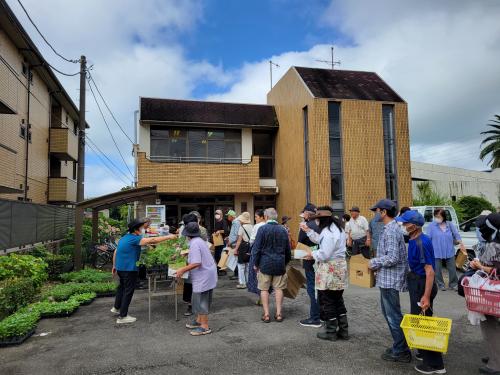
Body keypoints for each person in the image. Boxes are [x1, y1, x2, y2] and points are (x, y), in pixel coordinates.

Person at [396, 210, 445, 374]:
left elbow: (430, 271)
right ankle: (424, 352)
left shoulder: (421, 243)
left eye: (405, 223)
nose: (403, 225)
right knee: (422, 319)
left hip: (422, 284)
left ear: (414, 226)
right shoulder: (415, 238)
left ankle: (435, 364)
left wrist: (425, 296)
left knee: (424, 323)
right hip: (417, 282)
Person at [368, 199, 411, 363]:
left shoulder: (392, 230)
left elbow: (393, 257)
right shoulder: (391, 228)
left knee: (393, 315)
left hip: (390, 279)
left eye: (377, 210)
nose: (376, 214)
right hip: (387, 278)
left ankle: (401, 350)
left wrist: (373, 263)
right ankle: (399, 346)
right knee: (390, 314)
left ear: (384, 212)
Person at [111, 218, 177, 324]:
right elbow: (152, 240)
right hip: (129, 269)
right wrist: (169, 236)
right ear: (136, 229)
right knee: (128, 291)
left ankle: (116, 307)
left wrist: (114, 265)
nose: (142, 229)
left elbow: (116, 251)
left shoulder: (125, 237)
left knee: (122, 288)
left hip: (121, 267)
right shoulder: (134, 238)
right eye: (141, 227)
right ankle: (122, 317)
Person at [300, 206, 348, 341]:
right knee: (338, 299)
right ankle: (344, 330)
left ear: (321, 219)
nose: (316, 222)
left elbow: (325, 253)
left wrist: (312, 254)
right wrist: (309, 231)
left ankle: (331, 331)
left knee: (328, 301)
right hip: (339, 268)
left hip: (330, 269)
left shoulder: (328, 232)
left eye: (317, 219)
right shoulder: (336, 229)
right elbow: (321, 240)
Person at [469, 213, 500, 375]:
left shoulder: (494, 246)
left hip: (494, 292)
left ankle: (496, 364)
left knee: (489, 323)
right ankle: (495, 356)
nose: (481, 231)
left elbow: (496, 270)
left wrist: (479, 266)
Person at [175, 222, 217, 336]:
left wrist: (182, 270)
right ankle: (199, 321)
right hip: (208, 273)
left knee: (202, 300)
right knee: (201, 299)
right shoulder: (199, 240)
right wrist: (186, 254)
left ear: (187, 234)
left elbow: (197, 262)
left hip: (204, 275)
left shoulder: (194, 243)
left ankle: (205, 326)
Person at [253, 208, 291, 323]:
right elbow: (287, 250)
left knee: (264, 289)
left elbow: (256, 249)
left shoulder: (262, 229)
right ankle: (279, 314)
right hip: (280, 263)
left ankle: (266, 314)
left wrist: (256, 263)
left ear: (266, 217)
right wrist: (285, 262)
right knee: (279, 288)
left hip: (265, 263)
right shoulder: (283, 230)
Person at [426, 208, 466, 291]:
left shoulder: (449, 224)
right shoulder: (431, 226)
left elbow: (456, 234)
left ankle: (453, 284)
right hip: (436, 250)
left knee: (452, 268)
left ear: (443, 216)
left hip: (449, 250)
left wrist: (461, 243)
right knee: (437, 269)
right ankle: (440, 284)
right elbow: (428, 238)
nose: (437, 218)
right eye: (435, 216)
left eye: (439, 216)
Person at [297, 203, 322, 328]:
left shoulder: (306, 226)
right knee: (321, 288)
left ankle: (315, 317)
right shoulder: (321, 224)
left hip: (310, 259)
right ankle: (322, 315)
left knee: (312, 287)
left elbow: (300, 242)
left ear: (307, 214)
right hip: (322, 260)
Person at [248, 209, 266, 303]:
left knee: (257, 274)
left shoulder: (257, 226)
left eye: (256, 217)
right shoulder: (268, 225)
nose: (255, 219)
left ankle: (261, 297)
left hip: (257, 252)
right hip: (267, 253)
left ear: (262, 217)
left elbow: (252, 240)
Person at [233, 212, 253, 289]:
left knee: (241, 265)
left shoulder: (242, 228)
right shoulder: (252, 227)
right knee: (248, 265)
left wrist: (235, 249)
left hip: (243, 247)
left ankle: (242, 283)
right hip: (250, 247)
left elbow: (239, 240)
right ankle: (248, 282)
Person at [212, 209, 228, 275]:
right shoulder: (216, 222)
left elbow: (226, 231)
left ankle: (223, 270)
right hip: (217, 241)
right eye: (216, 213)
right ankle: (219, 269)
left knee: (222, 256)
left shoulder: (223, 221)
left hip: (222, 241)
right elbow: (216, 230)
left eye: (218, 213)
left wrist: (220, 231)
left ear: (221, 214)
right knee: (216, 256)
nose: (217, 215)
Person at [226, 209, 240, 281]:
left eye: (228, 216)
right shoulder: (234, 222)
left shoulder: (236, 223)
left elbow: (236, 234)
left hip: (234, 244)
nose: (227, 217)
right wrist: (229, 238)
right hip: (233, 243)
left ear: (232, 216)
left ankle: (237, 274)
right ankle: (235, 273)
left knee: (235, 260)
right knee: (234, 259)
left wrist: (230, 242)